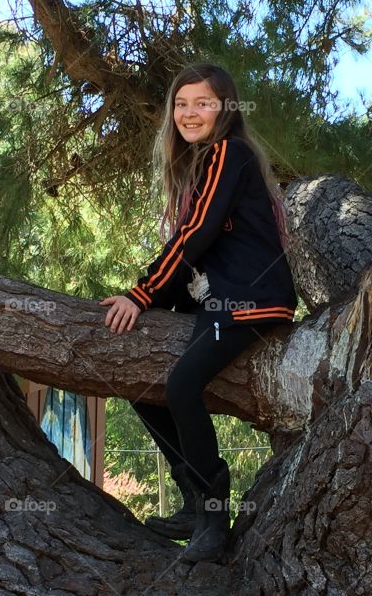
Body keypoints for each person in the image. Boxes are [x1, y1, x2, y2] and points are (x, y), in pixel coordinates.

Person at [100, 63, 297, 563]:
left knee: (182, 385)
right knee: (141, 381)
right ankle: (192, 497)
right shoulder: (202, 162)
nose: (189, 113)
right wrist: (151, 302)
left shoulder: (229, 152)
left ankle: (214, 516)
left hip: (249, 295)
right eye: (181, 103)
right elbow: (194, 246)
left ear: (224, 108)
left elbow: (198, 234)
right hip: (216, 292)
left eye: (202, 103)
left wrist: (141, 294)